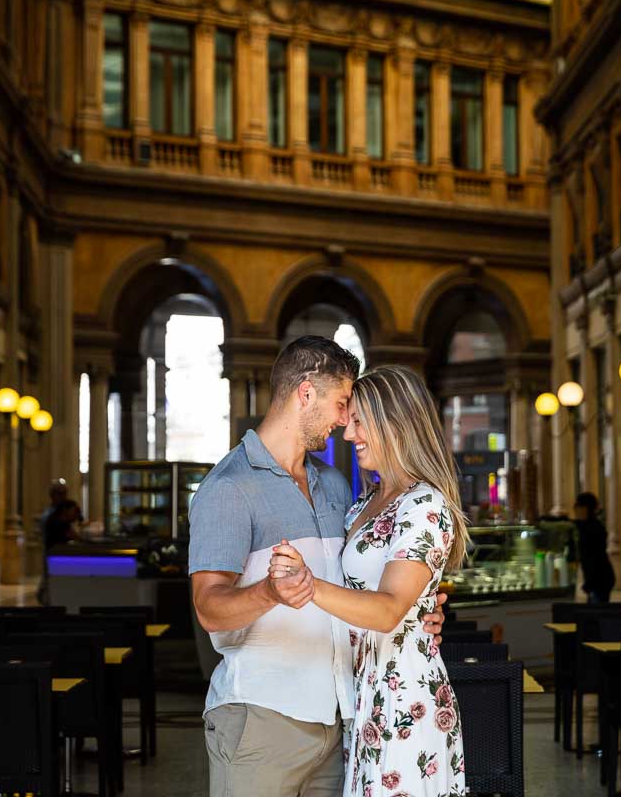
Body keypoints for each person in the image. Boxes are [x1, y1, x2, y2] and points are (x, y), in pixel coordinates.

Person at [188, 337, 449, 797]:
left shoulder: (338, 487)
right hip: (263, 719)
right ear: (305, 394)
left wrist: (418, 609)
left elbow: (374, 577)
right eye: (342, 404)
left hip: (342, 721)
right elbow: (209, 608)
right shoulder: (228, 487)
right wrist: (270, 592)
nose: (346, 422)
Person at [271, 365, 469, 797]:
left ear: (395, 424)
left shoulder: (425, 504)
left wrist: (309, 584)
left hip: (404, 698)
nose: (348, 434)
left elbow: (388, 610)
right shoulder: (368, 500)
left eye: (360, 421)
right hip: (364, 692)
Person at [573, 492, 615, 604]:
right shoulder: (586, 526)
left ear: (586, 508)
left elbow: (594, 559)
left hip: (600, 580)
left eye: (579, 507)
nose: (576, 510)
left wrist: (589, 584)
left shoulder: (593, 529)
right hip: (598, 580)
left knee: (596, 611)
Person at [37, 479, 68, 604]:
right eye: (60, 493)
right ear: (53, 495)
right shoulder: (49, 515)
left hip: (58, 554)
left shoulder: (61, 513)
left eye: (65, 493)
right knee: (50, 581)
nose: (63, 497)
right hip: (51, 553)